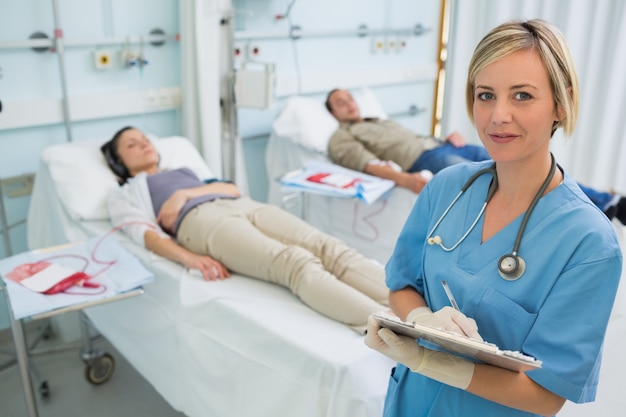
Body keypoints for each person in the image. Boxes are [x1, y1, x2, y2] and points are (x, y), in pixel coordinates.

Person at [363, 19, 622, 417]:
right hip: (408, 405)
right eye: (486, 95)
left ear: (561, 102)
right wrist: (420, 318)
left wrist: (430, 360)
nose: (498, 115)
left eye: (522, 95)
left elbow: (547, 396)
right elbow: (401, 283)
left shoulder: (588, 242)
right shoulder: (446, 188)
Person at [100, 126, 388, 333]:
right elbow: (145, 234)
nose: (143, 144)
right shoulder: (125, 193)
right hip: (201, 222)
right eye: (132, 145)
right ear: (119, 162)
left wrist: (183, 194)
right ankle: (389, 327)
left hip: (241, 204)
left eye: (144, 138)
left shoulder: (184, 171)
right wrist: (189, 259)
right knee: (295, 263)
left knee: (329, 248)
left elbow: (230, 187)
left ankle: (413, 308)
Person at [325, 89, 626, 224]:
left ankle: (605, 202)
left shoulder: (376, 120)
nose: (349, 104)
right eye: (340, 102)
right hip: (426, 161)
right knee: (498, 178)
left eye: (350, 98)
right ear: (333, 112)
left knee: (531, 163)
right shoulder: (342, 137)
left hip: (444, 147)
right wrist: (408, 180)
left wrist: (446, 138)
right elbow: (369, 164)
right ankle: (565, 214)